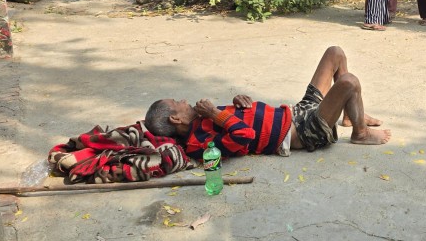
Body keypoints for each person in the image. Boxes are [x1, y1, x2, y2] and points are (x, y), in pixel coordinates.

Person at [144, 46, 391, 159]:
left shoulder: (202, 118)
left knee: (335, 53)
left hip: (294, 112)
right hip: (302, 132)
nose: (185, 101)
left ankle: (350, 115)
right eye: (179, 103)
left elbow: (236, 119)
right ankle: (359, 132)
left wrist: (237, 102)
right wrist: (215, 114)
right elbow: (243, 136)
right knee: (348, 82)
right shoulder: (198, 144)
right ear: (175, 119)